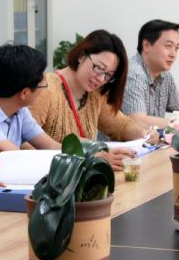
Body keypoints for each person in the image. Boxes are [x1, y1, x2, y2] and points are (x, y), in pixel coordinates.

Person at [28, 29, 154, 169]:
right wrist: (88, 156)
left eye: (109, 75)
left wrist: (144, 134)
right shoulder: (46, 89)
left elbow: (121, 125)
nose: (101, 79)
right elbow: (25, 144)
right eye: (99, 68)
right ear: (82, 56)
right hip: (49, 175)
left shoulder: (95, 94)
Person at [122, 19, 179, 129]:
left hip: (153, 139)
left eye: (176, 48)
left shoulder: (165, 76)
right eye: (168, 46)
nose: (173, 54)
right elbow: (138, 121)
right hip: (125, 140)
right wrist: (178, 123)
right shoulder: (133, 75)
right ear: (146, 46)